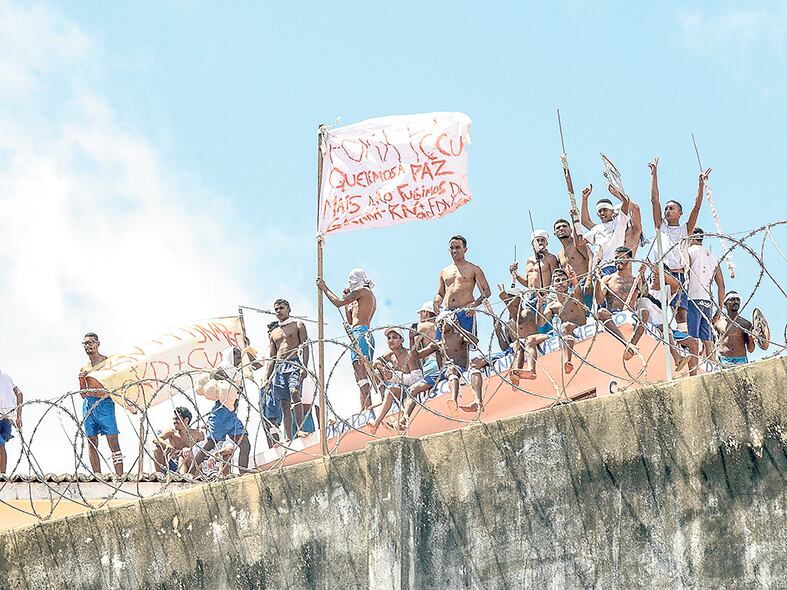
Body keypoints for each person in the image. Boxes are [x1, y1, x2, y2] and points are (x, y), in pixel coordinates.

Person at [649, 159, 710, 326]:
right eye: (666, 208)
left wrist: (701, 185)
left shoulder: (685, 230)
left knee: (680, 314)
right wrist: (654, 175)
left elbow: (696, 207)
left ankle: (683, 346)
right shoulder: (660, 227)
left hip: (679, 274)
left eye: (672, 208)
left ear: (680, 213)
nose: (667, 210)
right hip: (659, 275)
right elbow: (655, 200)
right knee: (656, 312)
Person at [398, 312, 482, 428]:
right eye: (439, 323)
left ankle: (453, 400)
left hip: (457, 368)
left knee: (451, 369)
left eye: (443, 322)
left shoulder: (460, 336)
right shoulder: (437, 344)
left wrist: (459, 328)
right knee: (413, 389)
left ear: (451, 321)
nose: (441, 325)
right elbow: (416, 356)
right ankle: (404, 420)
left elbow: (475, 342)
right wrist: (411, 339)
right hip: (441, 372)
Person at [317, 269, 378, 410]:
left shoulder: (363, 291)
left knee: (360, 368)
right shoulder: (362, 296)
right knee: (359, 371)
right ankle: (364, 406)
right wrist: (347, 304)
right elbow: (350, 320)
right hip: (359, 332)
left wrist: (324, 288)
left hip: (361, 333)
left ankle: (369, 406)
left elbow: (338, 302)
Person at [629, 263, 699, 374]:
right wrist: (641, 273)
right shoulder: (644, 288)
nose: (654, 275)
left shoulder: (667, 291)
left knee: (693, 343)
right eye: (653, 273)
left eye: (658, 273)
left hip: (666, 331)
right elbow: (641, 291)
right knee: (664, 328)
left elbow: (677, 284)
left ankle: (694, 378)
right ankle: (677, 358)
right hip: (647, 325)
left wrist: (660, 270)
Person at [519, 265, 588, 378]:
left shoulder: (573, 296)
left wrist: (574, 278)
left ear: (568, 282)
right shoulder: (552, 305)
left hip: (577, 326)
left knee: (566, 326)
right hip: (561, 332)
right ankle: (531, 370)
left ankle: (568, 361)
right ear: (553, 284)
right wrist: (540, 303)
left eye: (563, 280)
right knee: (530, 339)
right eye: (557, 280)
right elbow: (540, 323)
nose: (561, 283)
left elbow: (578, 290)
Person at [192, 347, 251, 473]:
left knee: (245, 445)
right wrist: (225, 377)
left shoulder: (237, 372)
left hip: (231, 416)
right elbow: (214, 376)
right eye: (237, 357)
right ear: (230, 356)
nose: (240, 360)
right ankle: (189, 472)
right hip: (220, 414)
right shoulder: (223, 369)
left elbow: (254, 365)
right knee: (210, 445)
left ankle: (243, 473)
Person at [262, 299, 310, 442]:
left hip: (294, 362)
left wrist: (304, 366)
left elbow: (305, 346)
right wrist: (266, 377)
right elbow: (272, 357)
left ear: (288, 309)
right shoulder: (274, 333)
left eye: (281, 308)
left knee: (295, 392)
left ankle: (300, 429)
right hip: (279, 367)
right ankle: (288, 436)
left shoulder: (298, 325)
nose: (278, 311)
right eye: (276, 309)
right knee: (284, 403)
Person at [78, 332, 123, 475]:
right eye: (85, 343)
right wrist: (80, 380)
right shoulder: (84, 368)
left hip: (105, 403)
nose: (88, 345)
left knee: (113, 441)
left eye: (91, 342)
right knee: (91, 441)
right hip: (89, 404)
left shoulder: (108, 362)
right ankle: (97, 474)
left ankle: (120, 475)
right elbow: (83, 394)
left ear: (98, 344)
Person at [433, 235, 491, 340]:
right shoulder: (444, 271)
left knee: (464, 344)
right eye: (452, 248)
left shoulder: (474, 269)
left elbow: (486, 291)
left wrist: (475, 304)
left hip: (466, 311)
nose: (454, 250)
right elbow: (441, 293)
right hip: (447, 312)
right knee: (441, 344)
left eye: (457, 247)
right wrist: (436, 302)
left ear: (465, 249)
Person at [368, 328, 421, 434]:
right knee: (378, 374)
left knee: (391, 388)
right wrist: (381, 367)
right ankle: (376, 422)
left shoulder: (408, 354)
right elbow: (377, 361)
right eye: (389, 338)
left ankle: (386, 420)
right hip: (400, 387)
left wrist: (393, 376)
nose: (391, 340)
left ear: (402, 340)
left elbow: (417, 378)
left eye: (395, 338)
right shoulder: (390, 354)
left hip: (412, 388)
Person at [594, 247, 644, 357]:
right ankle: (627, 344)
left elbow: (645, 293)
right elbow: (599, 300)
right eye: (616, 258)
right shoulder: (607, 279)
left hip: (630, 314)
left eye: (622, 258)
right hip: (612, 315)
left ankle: (631, 346)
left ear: (630, 260)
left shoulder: (636, 280)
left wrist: (643, 274)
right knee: (601, 311)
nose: (618, 260)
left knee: (644, 312)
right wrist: (597, 280)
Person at [510, 230, 560, 334]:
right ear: (532, 243)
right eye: (537, 240)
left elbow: (555, 277)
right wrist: (515, 273)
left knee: (545, 326)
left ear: (547, 243)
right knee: (532, 325)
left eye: (543, 240)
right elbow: (528, 282)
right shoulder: (529, 260)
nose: (540, 242)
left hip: (544, 295)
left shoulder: (551, 258)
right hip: (530, 297)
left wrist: (550, 294)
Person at [687, 228, 725, 358]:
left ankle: (694, 366)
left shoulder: (689, 251)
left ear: (692, 236)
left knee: (692, 338)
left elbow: (684, 273)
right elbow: (721, 285)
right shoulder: (712, 256)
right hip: (708, 301)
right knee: (707, 340)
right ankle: (711, 364)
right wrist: (719, 309)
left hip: (693, 298)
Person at [581, 183, 632, 276]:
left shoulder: (619, 223)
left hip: (614, 266)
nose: (602, 213)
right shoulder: (597, 228)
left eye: (605, 210)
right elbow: (585, 221)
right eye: (599, 211)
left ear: (612, 211)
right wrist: (584, 199)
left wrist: (616, 192)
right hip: (598, 269)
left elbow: (626, 202)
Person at [553, 215, 593, 309]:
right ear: (555, 233)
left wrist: (589, 279)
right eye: (558, 228)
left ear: (570, 230)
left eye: (564, 226)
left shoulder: (577, 244)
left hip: (584, 284)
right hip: (571, 289)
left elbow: (591, 258)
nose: (561, 229)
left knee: (590, 312)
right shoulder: (560, 254)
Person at [152, 407, 204, 474]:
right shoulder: (171, 432)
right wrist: (167, 444)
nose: (174, 421)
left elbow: (203, 451)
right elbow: (156, 439)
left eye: (177, 419)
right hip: (173, 465)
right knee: (157, 449)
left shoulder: (197, 434)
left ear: (186, 420)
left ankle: (186, 476)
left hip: (189, 466)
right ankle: (160, 475)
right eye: (173, 419)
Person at [714, 292, 755, 366]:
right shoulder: (719, 323)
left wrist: (751, 337)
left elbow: (751, 349)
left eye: (738, 300)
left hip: (741, 360)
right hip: (723, 361)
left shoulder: (746, 324)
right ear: (725, 303)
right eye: (732, 299)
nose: (736, 302)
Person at [0, 368, 23, 475]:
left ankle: (2, 475)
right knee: (1, 446)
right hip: (8, 419)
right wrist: (18, 417)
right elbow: (19, 394)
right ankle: (3, 474)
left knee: (1, 446)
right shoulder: (6, 376)